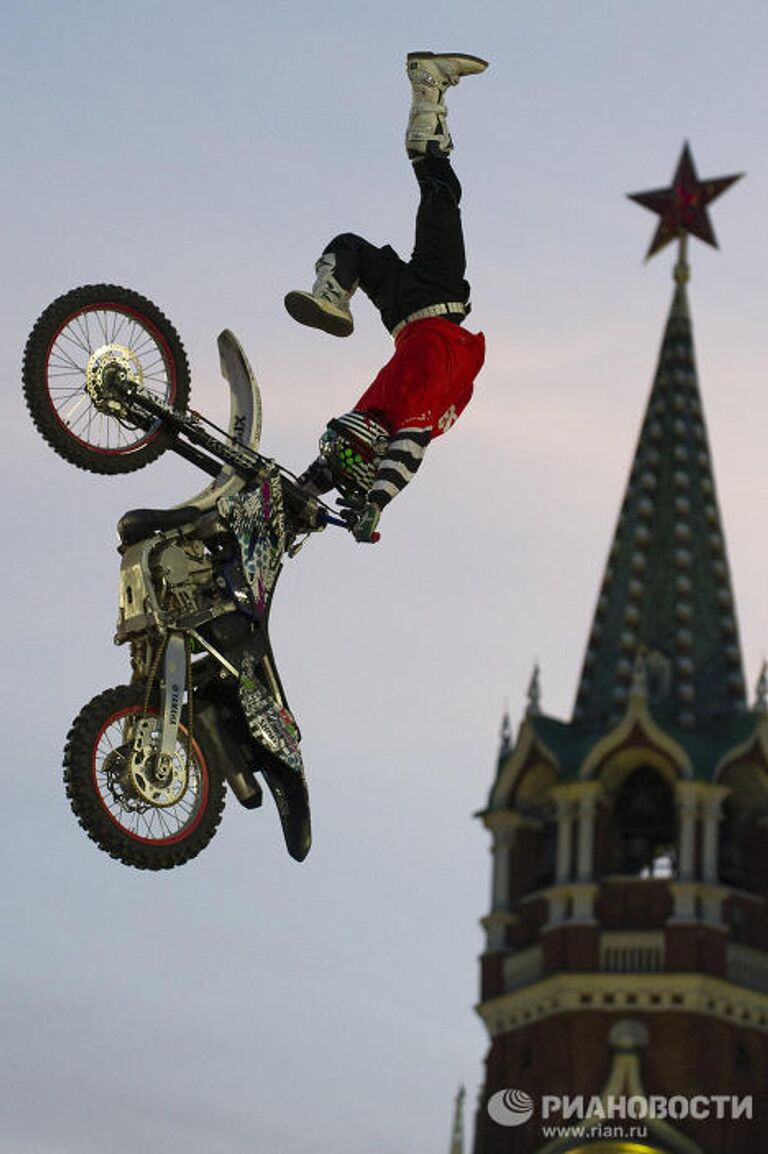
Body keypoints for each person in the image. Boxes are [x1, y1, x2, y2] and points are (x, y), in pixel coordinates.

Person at [286, 51, 488, 543]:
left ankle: (427, 88)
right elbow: (397, 452)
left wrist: (302, 493)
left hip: (429, 303)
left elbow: (343, 456)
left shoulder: (381, 413)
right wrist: (368, 501)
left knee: (439, 191)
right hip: (407, 314)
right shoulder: (397, 420)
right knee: (354, 244)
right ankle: (332, 292)